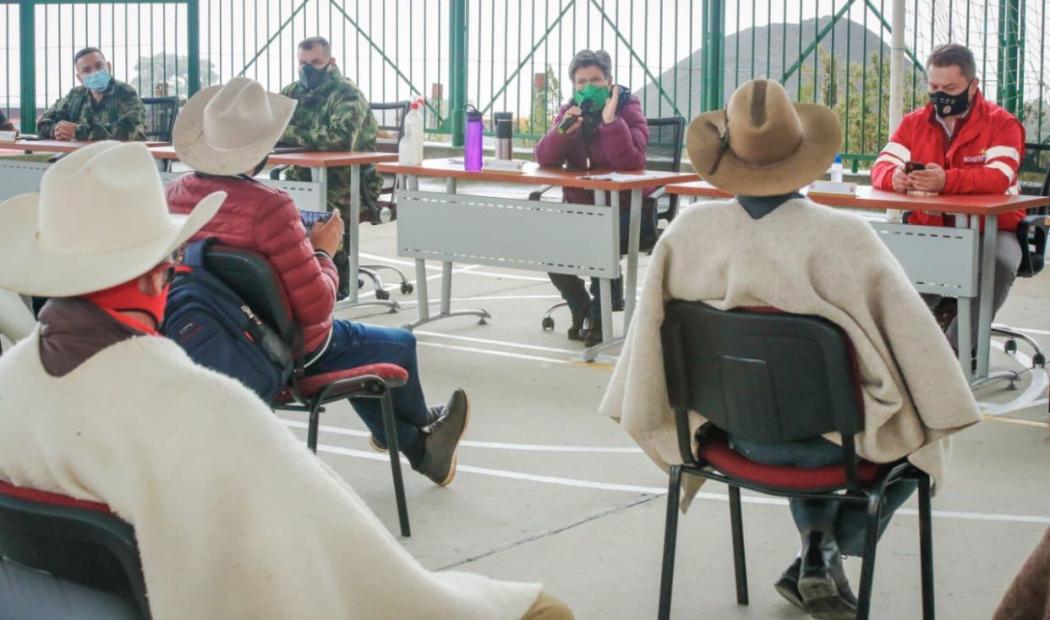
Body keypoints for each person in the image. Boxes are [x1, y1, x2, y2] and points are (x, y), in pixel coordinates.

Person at [0, 140, 573, 620]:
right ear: (159, 276)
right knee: (545, 611)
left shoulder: (9, 383)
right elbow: (356, 571)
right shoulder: (210, 409)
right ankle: (418, 441)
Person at [601, 79, 981, 619]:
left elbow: (647, 356)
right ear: (802, 150)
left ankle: (814, 549)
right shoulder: (846, 238)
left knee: (795, 393)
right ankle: (821, 550)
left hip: (728, 436)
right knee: (915, 428)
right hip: (838, 450)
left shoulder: (685, 235)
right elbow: (924, 358)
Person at [167, 77, 469, 487]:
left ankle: (410, 436)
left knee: (369, 349)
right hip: (285, 350)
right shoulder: (270, 207)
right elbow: (317, 307)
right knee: (399, 345)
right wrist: (324, 251)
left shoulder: (173, 195)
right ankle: (417, 441)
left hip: (210, 340)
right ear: (261, 152)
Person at [871, 43, 1026, 353]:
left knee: (1000, 262)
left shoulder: (1003, 124)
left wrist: (946, 180)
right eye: (934, 87)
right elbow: (881, 166)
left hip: (993, 230)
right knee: (894, 273)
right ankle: (898, 355)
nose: (941, 94)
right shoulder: (914, 123)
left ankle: (955, 355)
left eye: (951, 87)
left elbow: (999, 177)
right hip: (931, 228)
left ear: (973, 85)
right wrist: (895, 178)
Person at [534, 49, 653, 347]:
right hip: (580, 207)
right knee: (547, 245)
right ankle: (581, 307)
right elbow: (543, 158)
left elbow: (632, 162)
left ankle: (600, 320)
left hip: (626, 210)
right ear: (573, 85)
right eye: (581, 81)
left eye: (596, 80)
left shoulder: (628, 108)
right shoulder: (570, 109)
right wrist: (563, 133)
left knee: (601, 240)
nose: (589, 87)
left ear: (610, 81)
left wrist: (611, 122)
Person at [278, 36, 384, 297]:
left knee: (320, 211)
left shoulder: (347, 94)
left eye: (316, 62)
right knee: (273, 208)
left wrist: (287, 132)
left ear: (331, 62)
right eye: (302, 62)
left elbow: (339, 140)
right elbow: (269, 126)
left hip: (349, 181)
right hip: (303, 175)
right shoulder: (292, 92)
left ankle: (336, 277)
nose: (308, 68)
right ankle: (298, 281)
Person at [36, 47, 147, 142]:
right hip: (83, 157)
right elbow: (43, 122)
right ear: (80, 78)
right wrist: (57, 131)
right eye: (87, 70)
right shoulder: (75, 96)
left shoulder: (126, 93)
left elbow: (128, 130)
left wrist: (77, 131)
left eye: (99, 66)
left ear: (108, 67)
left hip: (121, 159)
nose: (94, 72)